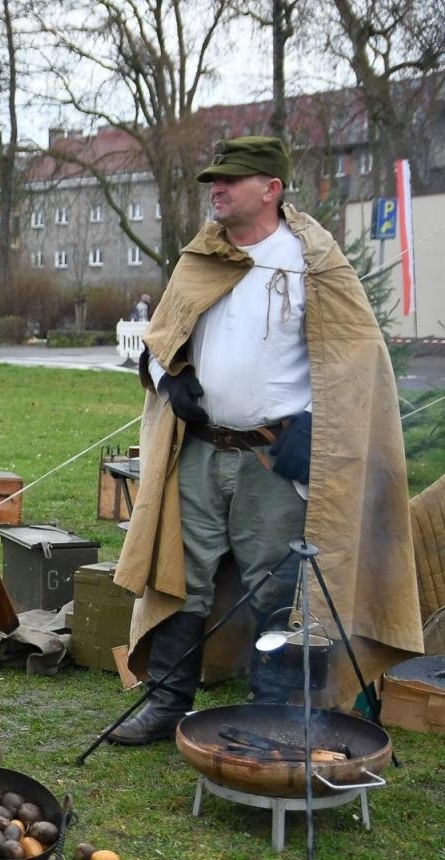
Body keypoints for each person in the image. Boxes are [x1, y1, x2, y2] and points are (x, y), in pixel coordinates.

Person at [110, 136, 421, 744]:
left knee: (275, 585)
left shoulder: (313, 261)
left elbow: (359, 366)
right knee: (180, 574)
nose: (216, 191)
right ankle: (169, 701)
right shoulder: (201, 258)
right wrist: (170, 380)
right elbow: (160, 346)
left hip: (271, 459)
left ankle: (270, 712)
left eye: (230, 181)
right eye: (212, 183)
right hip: (197, 451)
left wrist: (317, 429)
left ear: (271, 189)